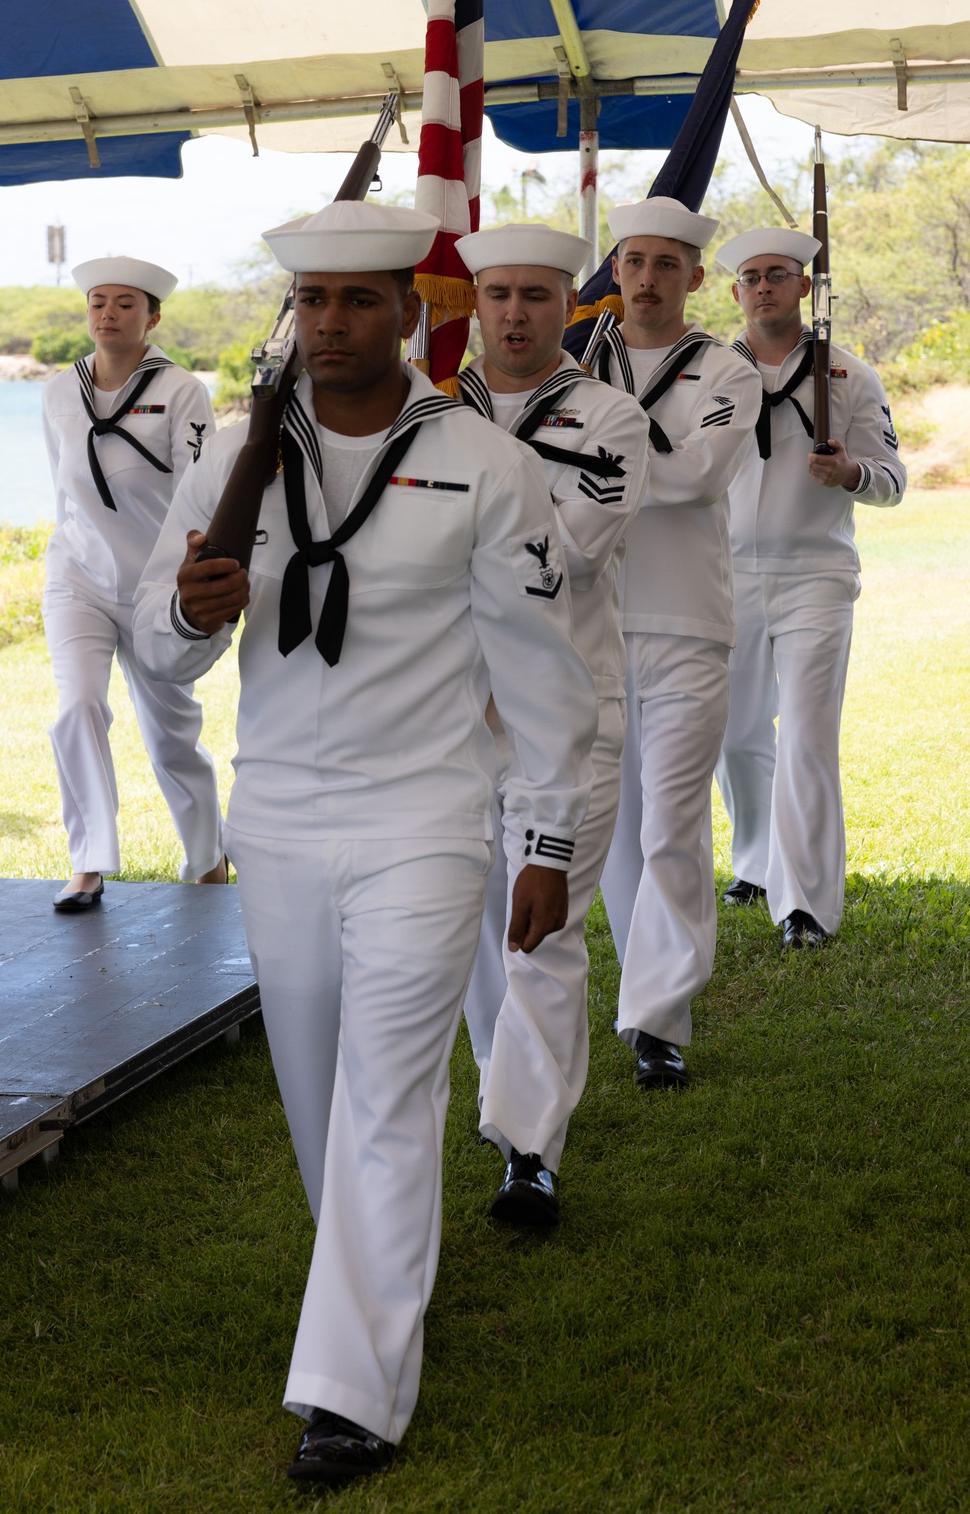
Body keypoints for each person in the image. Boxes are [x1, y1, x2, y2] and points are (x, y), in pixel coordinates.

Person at [132, 201, 598, 1484]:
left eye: (359, 301)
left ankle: (352, 1392)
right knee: (318, 1096)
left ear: (410, 311)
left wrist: (547, 839)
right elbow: (158, 647)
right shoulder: (236, 448)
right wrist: (186, 606)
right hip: (278, 814)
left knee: (391, 1091)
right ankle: (381, 1289)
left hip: (426, 816)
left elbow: (545, 671)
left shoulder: (483, 463)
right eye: (312, 303)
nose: (331, 325)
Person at [455, 222, 650, 1224]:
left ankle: (531, 1149)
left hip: (566, 715)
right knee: (476, 927)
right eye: (499, 295)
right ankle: (508, 1097)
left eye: (537, 295)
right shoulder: (430, 412)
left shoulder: (609, 417)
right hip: (449, 718)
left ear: (566, 302)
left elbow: (562, 554)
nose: (516, 314)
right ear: (475, 302)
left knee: (542, 929)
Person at [594, 197, 762, 1088]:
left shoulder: (726, 372)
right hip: (591, 624)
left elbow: (698, 478)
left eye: (667, 263)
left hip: (689, 623)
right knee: (616, 830)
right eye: (634, 261)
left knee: (672, 826)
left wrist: (594, 463)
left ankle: (661, 1018)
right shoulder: (578, 363)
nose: (649, 278)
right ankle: (646, 993)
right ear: (615, 270)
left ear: (696, 277)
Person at [713, 228, 906, 947]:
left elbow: (892, 479)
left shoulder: (849, 376)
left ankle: (807, 906)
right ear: (735, 293)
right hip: (724, 577)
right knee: (732, 733)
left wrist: (851, 473)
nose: (764, 287)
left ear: (803, 288)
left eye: (778, 275)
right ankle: (758, 861)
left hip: (815, 578)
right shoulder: (706, 372)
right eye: (752, 278)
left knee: (807, 737)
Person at [41, 256, 225, 909]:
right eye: (98, 301)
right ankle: (88, 862)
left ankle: (207, 857)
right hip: (78, 579)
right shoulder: (60, 391)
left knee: (171, 739)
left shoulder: (181, 391)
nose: (108, 314)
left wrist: (193, 578)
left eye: (124, 303)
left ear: (153, 316)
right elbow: (63, 489)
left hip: (157, 586)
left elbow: (202, 489)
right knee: (78, 706)